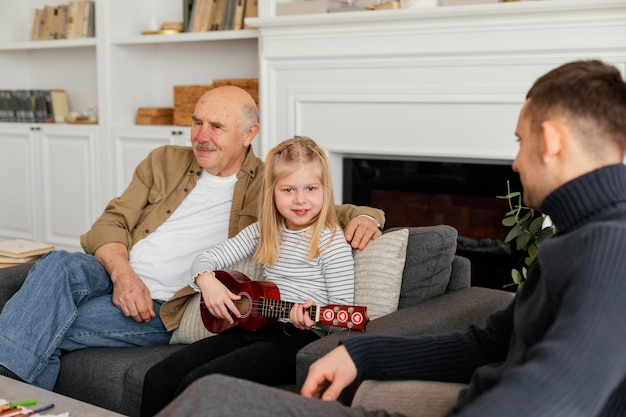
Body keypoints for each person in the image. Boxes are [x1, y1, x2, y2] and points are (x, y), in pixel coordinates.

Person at [152, 59, 626, 417]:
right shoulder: (572, 242)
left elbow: (552, 397)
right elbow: (484, 346)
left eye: (520, 142)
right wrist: (361, 353)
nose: (515, 162)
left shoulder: (611, 248)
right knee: (200, 390)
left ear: (552, 140)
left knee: (210, 399)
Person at [0, 86, 385, 390]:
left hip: (160, 304)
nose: (201, 136)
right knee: (58, 263)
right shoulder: (164, 160)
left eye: (217, 127)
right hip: (117, 273)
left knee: (33, 324)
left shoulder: (268, 184)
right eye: (197, 122)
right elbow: (110, 222)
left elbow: (323, 205)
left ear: (249, 133)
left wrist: (369, 215)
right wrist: (122, 274)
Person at [140, 136, 358, 416]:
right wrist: (207, 282)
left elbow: (345, 317)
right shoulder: (263, 232)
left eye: (311, 188)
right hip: (255, 327)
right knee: (159, 376)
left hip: (296, 341)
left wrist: (311, 318)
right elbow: (203, 259)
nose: (300, 199)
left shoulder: (331, 243)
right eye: (288, 189)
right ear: (272, 192)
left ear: (325, 190)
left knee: (200, 383)